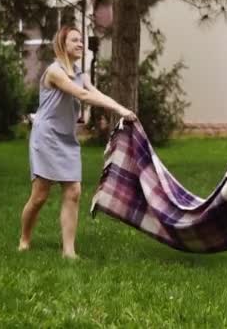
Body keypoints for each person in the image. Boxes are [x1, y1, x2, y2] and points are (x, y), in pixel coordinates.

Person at [18, 25, 137, 259]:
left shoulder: (81, 73)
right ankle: (24, 238)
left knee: (73, 191)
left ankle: (69, 251)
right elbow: (82, 95)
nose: (80, 44)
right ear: (63, 44)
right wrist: (119, 109)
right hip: (47, 136)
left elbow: (95, 93)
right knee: (40, 195)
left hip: (67, 138)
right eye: (75, 40)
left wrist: (121, 109)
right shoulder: (54, 71)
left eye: (81, 40)